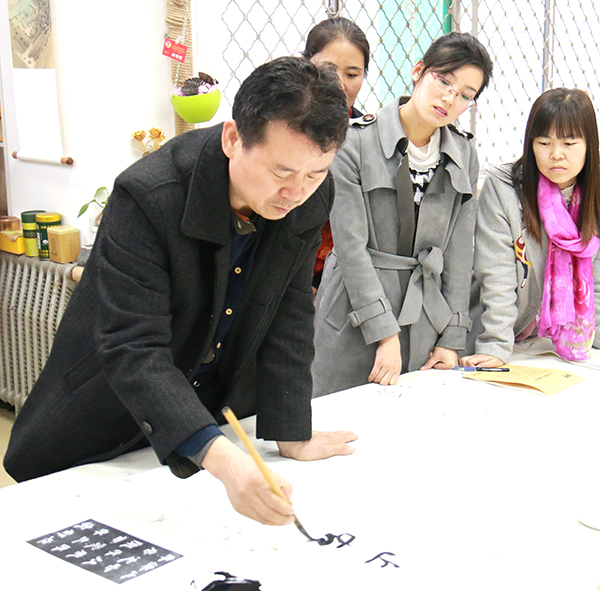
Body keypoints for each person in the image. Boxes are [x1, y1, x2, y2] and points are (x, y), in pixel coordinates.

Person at [4, 57, 357, 526]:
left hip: (206, 412)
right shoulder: (150, 195)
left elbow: (288, 310)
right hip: (104, 415)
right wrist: (221, 458)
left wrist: (291, 430)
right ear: (233, 138)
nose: (296, 192)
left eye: (315, 174)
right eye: (281, 172)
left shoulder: (311, 195)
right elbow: (133, 346)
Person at [312, 32, 493, 397]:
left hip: (426, 320)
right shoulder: (354, 141)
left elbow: (460, 253)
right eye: (444, 81)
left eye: (465, 95)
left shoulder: (463, 153)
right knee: (340, 418)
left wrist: (452, 336)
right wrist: (384, 333)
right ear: (418, 70)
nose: (450, 98)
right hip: (352, 315)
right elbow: (350, 248)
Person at [463, 88, 600, 367]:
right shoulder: (503, 187)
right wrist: (495, 345)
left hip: (557, 342)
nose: (556, 154)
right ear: (531, 144)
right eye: (544, 142)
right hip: (503, 332)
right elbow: (496, 274)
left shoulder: (594, 194)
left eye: (569, 143)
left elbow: (596, 279)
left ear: (589, 144)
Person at [302, 17, 371, 290]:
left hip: (346, 283)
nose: (339, 84)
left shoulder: (368, 138)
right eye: (328, 70)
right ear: (305, 64)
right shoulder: (280, 130)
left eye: (352, 75)